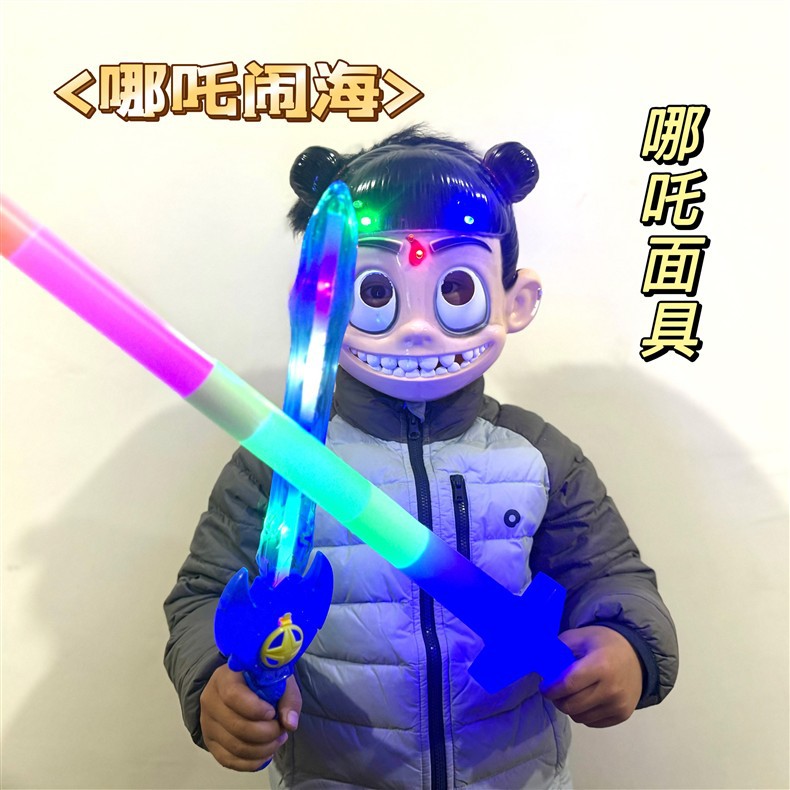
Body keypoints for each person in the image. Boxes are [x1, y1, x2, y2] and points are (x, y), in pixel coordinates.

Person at [164, 127, 678, 789]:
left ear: (516, 301)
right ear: (323, 299)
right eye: (376, 293)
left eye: (456, 290)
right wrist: (217, 681)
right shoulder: (279, 461)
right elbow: (206, 594)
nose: (415, 328)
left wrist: (628, 647)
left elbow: (611, 575)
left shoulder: (539, 456)